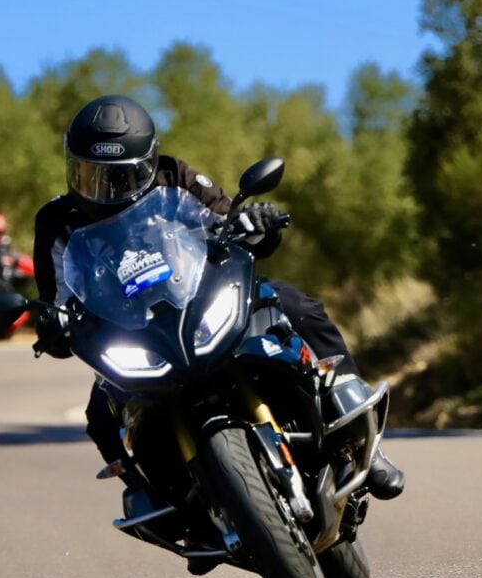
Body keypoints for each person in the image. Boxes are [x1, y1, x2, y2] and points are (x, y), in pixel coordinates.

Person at [31, 94, 404, 500]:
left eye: (121, 176)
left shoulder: (176, 177)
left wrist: (258, 222)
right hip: (130, 331)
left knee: (296, 306)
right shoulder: (55, 221)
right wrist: (52, 324)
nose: (105, 190)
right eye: (90, 175)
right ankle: (163, 501)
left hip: (200, 300)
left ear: (150, 163)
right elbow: (56, 299)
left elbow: (229, 222)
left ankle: (362, 436)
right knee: (101, 419)